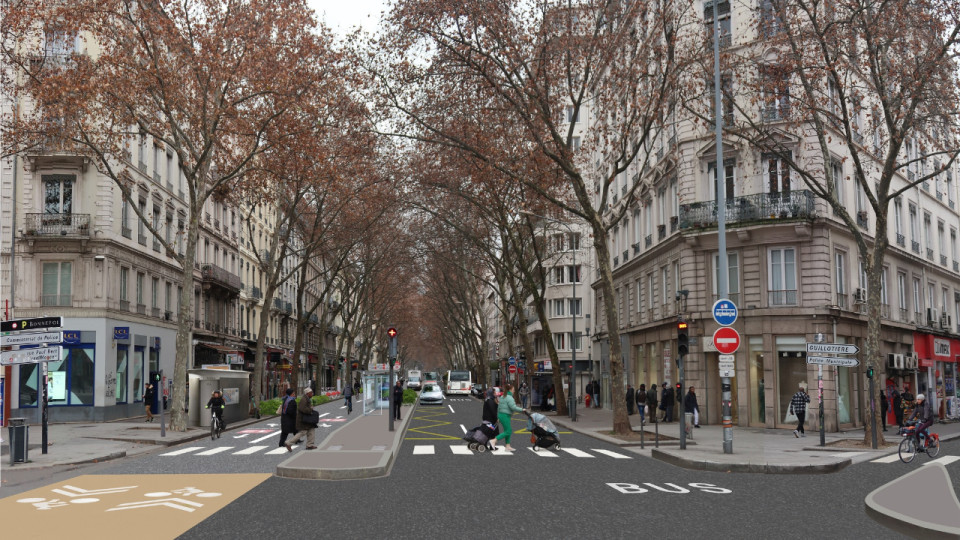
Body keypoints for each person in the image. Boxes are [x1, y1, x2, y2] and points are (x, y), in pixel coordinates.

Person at [494, 383, 526, 451]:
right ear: (511, 390)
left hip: (501, 415)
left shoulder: (503, 396)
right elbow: (513, 407)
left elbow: (499, 407)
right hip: (505, 415)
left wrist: (498, 417)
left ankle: (507, 446)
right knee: (508, 431)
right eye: (513, 390)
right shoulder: (509, 397)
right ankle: (494, 440)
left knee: (507, 430)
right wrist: (522, 410)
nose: (514, 391)